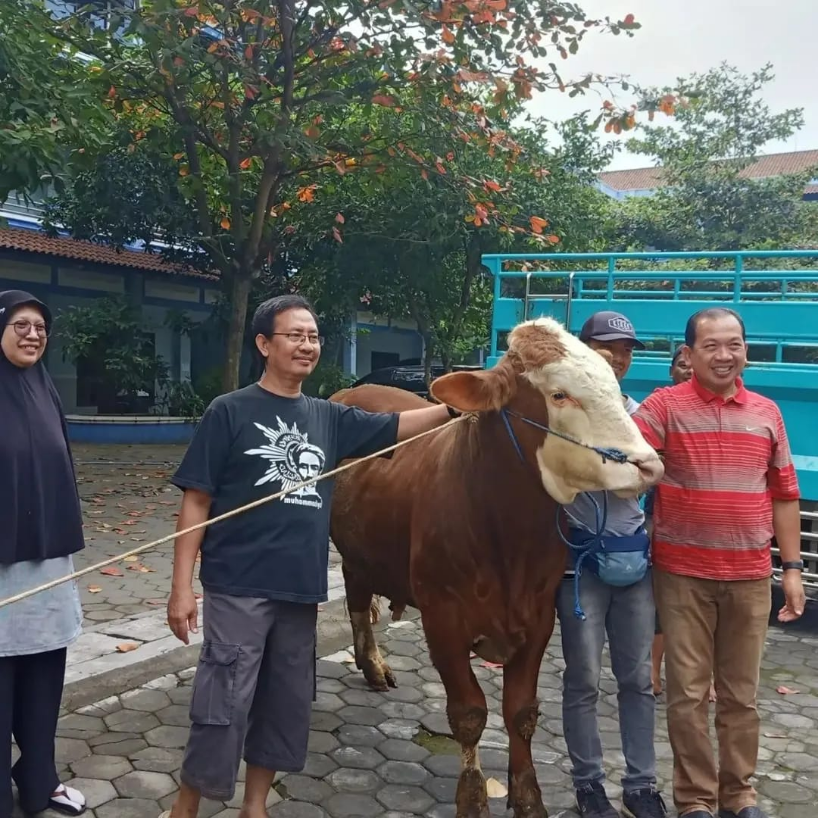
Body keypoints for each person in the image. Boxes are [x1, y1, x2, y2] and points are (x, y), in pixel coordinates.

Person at [162, 294, 458, 818]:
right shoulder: (229, 411)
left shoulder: (327, 418)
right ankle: (186, 806)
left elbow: (397, 426)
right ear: (263, 344)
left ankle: (256, 806)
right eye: (295, 335)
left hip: (299, 591)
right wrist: (181, 587)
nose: (307, 345)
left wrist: (461, 404)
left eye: (314, 336)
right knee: (222, 701)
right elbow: (197, 501)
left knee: (284, 704)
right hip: (238, 585)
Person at [634, 307, 805, 818]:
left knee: (741, 696)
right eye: (711, 346)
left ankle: (739, 794)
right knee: (687, 694)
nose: (724, 355)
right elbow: (620, 453)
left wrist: (792, 569)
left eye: (734, 344)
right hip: (681, 575)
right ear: (689, 354)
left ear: (746, 350)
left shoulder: (768, 413)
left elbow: (784, 494)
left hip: (750, 576)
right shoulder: (664, 407)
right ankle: (695, 800)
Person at [556, 311, 667, 818]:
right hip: (581, 565)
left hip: (634, 563)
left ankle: (642, 785)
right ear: (581, 351)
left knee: (638, 680)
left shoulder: (637, 414)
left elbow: (647, 477)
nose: (617, 357)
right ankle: (588, 786)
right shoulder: (560, 413)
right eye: (606, 347)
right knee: (583, 679)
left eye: (625, 350)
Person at [0, 290, 87, 817]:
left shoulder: (45, 388)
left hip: (47, 564)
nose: (33, 334)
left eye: (40, 327)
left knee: (42, 678)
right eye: (21, 325)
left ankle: (38, 780)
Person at [649, 347, 717, 702]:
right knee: (662, 602)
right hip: (665, 518)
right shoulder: (660, 407)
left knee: (710, 609)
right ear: (671, 371)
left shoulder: (720, 410)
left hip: (711, 527)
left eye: (693, 366)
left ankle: (706, 677)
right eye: (681, 365)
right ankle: (653, 669)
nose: (688, 371)